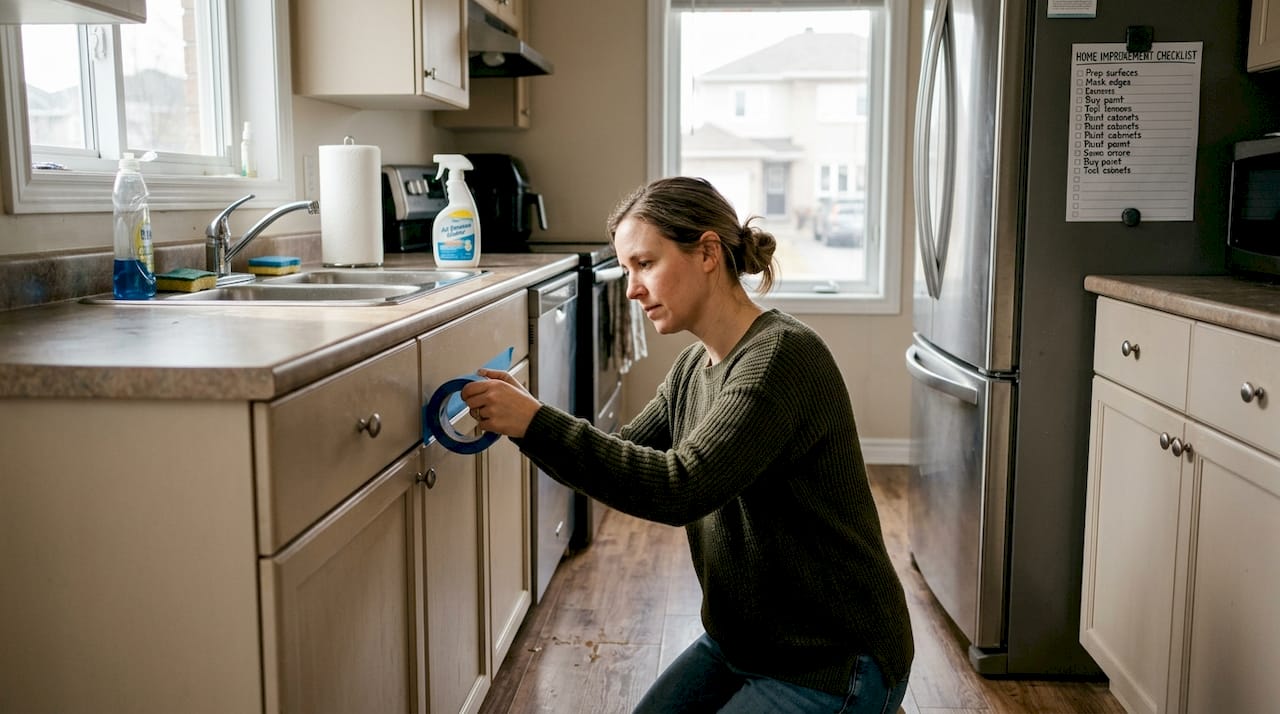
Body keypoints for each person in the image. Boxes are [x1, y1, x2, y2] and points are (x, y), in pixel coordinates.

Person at [461, 176, 913, 713]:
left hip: (835, 661)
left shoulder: (780, 358)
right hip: (740, 643)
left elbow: (680, 487)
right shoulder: (693, 368)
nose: (631, 289)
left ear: (706, 252)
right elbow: (623, 454)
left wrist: (534, 423)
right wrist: (525, 420)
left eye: (645, 264)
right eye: (627, 269)